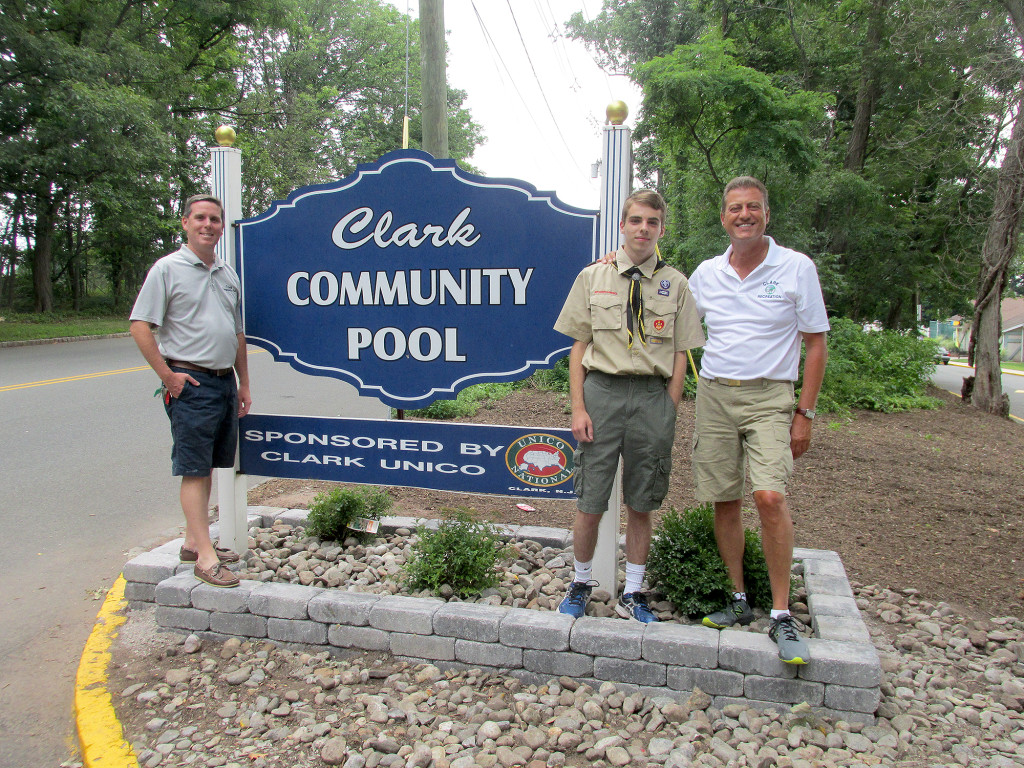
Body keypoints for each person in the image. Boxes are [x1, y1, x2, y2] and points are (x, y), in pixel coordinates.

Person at [690, 176, 829, 664]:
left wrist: (804, 414)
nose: (743, 215)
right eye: (734, 208)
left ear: (766, 214)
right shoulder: (707, 273)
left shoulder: (795, 268)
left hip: (771, 396)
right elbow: (668, 308)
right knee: (724, 497)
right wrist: (611, 263)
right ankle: (738, 599)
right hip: (714, 395)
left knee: (769, 496)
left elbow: (815, 343)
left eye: (752, 207)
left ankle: (781, 614)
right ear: (723, 217)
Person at [553, 190, 705, 622]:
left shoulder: (675, 284)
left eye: (652, 222)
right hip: (603, 394)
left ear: (661, 228)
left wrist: (669, 408)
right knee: (590, 498)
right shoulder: (593, 277)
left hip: (652, 398)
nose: (643, 228)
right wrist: (578, 408)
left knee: (642, 501)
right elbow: (578, 348)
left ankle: (633, 592)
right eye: (635, 220)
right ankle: (581, 582)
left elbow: (681, 352)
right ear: (622, 225)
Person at [130, 194, 252, 588]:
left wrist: (244, 382)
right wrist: (169, 376)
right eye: (200, 218)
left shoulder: (227, 273)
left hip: (223, 383)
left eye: (215, 219)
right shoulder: (167, 269)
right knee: (195, 471)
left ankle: (191, 541)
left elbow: (236, 334)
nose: (209, 225)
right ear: (185, 223)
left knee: (211, 464)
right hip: (191, 382)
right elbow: (139, 326)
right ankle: (205, 558)